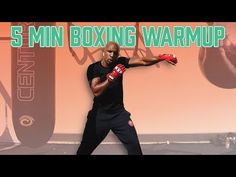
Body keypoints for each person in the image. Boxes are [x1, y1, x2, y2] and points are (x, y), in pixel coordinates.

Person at [76, 41, 177, 155]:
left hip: (119, 115)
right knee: (83, 151)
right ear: (103, 52)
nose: (112, 55)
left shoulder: (120, 62)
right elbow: (96, 91)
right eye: (109, 52)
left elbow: (142, 61)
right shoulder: (94, 68)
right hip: (99, 116)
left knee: (135, 150)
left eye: (115, 53)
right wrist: (111, 77)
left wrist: (161, 57)